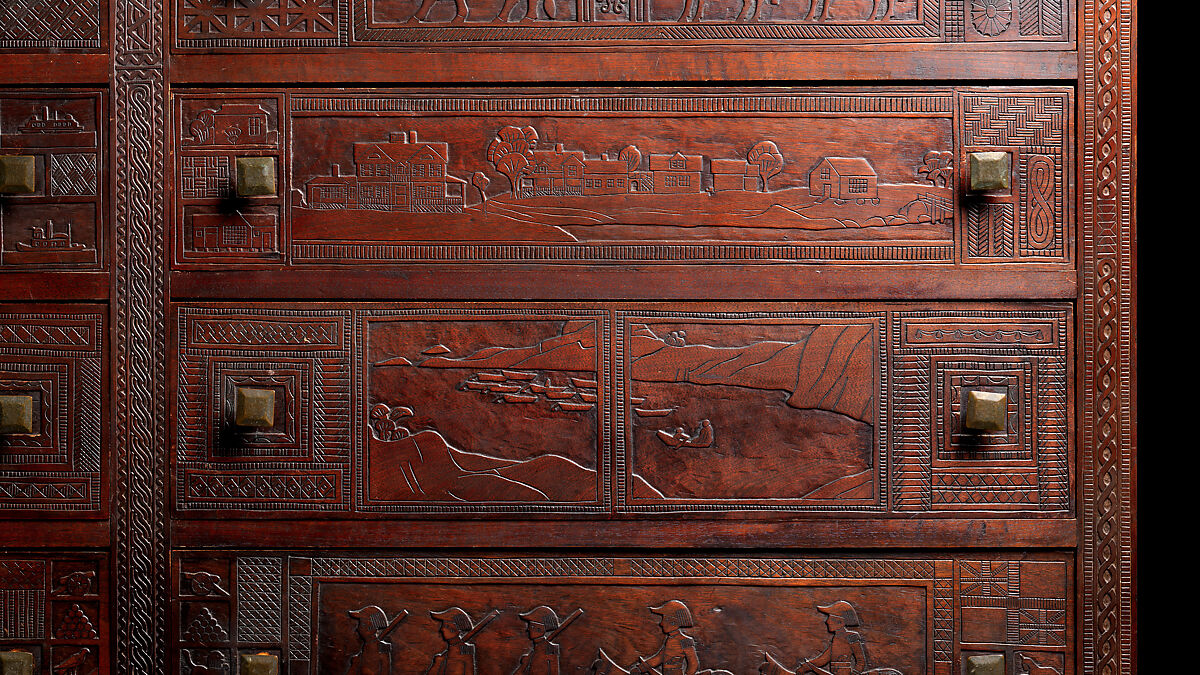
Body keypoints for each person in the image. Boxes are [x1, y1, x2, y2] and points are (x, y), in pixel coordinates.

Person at [795, 601, 871, 675]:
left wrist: (855, 673)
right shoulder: (836, 639)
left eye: (830, 618)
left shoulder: (851, 637)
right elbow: (823, 659)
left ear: (840, 622)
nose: (827, 621)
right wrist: (805, 667)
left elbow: (861, 661)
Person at [631, 600, 699, 675]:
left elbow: (693, 664)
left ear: (673, 621)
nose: (661, 623)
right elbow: (659, 658)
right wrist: (641, 668)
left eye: (664, 619)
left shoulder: (685, 641)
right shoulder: (670, 640)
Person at [426, 608, 480, 675]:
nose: (442, 629)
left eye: (446, 626)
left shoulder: (465, 651)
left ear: (454, 629)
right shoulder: (442, 658)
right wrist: (438, 663)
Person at [513, 606, 563, 675]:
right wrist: (525, 664)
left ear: (539, 629)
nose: (528, 629)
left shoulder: (550, 649)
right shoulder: (533, 652)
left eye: (531, 626)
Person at [346, 606, 394, 675]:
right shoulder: (365, 649)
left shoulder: (382, 648)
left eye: (362, 624)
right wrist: (355, 664)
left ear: (370, 627)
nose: (358, 629)